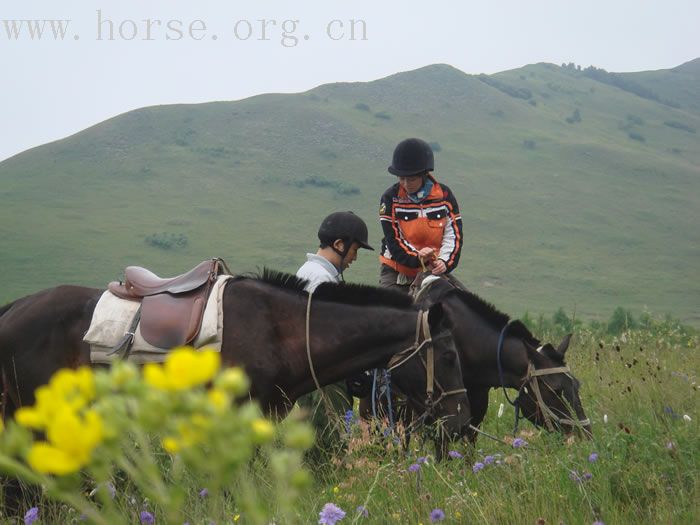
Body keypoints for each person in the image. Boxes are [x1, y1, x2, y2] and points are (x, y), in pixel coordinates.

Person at [296, 211, 374, 458]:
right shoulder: (319, 279)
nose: (354, 258)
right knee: (326, 449)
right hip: (322, 379)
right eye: (354, 250)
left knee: (323, 443)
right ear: (339, 245)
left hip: (322, 374)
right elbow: (323, 336)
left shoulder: (319, 273)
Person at [379, 138, 463, 291]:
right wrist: (418, 256)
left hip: (433, 269)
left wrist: (444, 262)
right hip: (398, 270)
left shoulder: (444, 196)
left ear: (424, 174)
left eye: (411, 179)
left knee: (468, 307)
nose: (405, 184)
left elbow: (453, 235)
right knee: (386, 310)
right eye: (401, 178)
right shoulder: (390, 198)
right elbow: (394, 239)